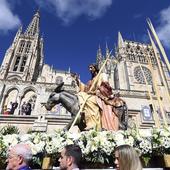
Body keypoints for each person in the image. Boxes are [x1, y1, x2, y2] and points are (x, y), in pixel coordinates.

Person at [77, 63, 120, 131]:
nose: (90, 69)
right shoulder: (91, 81)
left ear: (95, 68)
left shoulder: (101, 75)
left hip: (100, 95)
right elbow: (85, 89)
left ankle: (93, 123)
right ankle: (83, 115)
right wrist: (78, 81)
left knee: (89, 100)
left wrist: (96, 91)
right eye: (89, 68)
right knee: (81, 94)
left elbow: (106, 86)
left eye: (91, 67)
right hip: (91, 95)